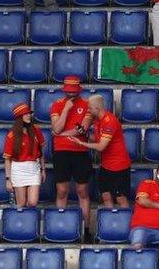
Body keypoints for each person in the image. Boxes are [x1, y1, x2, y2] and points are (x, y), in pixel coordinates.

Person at [71, 94, 132, 208]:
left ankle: (126, 223)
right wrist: (85, 134)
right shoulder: (98, 121)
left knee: (120, 198)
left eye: (90, 108)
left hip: (119, 166)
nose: (88, 110)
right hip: (106, 165)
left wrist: (81, 143)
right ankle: (109, 222)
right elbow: (97, 139)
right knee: (106, 196)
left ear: (97, 108)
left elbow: (101, 147)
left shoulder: (110, 121)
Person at [50, 76, 93, 222]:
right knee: (62, 191)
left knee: (82, 191)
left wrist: (60, 134)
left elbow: (82, 129)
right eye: (69, 91)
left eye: (74, 91)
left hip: (80, 151)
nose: (72, 94)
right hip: (61, 152)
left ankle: (85, 228)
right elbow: (56, 127)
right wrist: (66, 110)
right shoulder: (57, 105)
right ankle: (60, 224)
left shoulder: (87, 104)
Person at [2, 103, 45, 207]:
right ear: (19, 118)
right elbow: (7, 159)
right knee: (21, 204)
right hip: (18, 169)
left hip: (34, 168)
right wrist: (8, 179)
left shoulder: (36, 130)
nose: (28, 116)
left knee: (32, 202)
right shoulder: (12, 135)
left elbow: (41, 152)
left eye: (29, 113)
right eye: (25, 114)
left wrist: (43, 169)